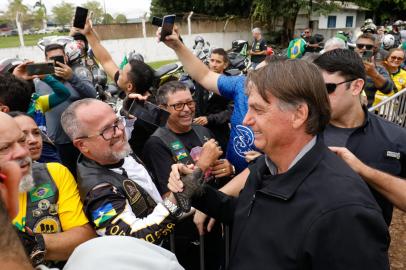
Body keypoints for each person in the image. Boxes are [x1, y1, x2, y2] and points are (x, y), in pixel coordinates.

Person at [167, 59, 390, 269]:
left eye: (259, 109)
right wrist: (195, 189)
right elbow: (253, 215)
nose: (246, 120)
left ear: (298, 114)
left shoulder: (345, 212)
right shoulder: (267, 167)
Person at [61, 98, 181, 244]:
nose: (118, 132)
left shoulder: (109, 150)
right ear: (82, 145)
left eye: (117, 121)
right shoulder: (99, 193)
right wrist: (178, 197)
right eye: (106, 130)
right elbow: (134, 238)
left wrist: (129, 111)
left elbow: (129, 126)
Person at [143, 81, 232, 269]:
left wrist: (228, 168)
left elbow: (218, 174)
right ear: (163, 109)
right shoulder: (156, 143)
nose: (187, 109)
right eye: (178, 105)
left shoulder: (203, 130)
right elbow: (169, 198)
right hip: (185, 235)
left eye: (190, 103)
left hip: (215, 223)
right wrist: (203, 163)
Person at [313, 48, 406, 225]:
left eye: (327, 88)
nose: (318, 97)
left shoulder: (395, 138)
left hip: (366, 248)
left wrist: (364, 171)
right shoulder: (303, 130)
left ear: (356, 86)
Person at [158, 26, 255, 174]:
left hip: (254, 176)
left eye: (218, 62)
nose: (247, 120)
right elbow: (202, 75)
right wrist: (177, 44)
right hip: (227, 169)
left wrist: (261, 162)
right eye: (212, 60)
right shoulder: (241, 84)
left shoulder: (233, 82)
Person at [5, 111, 95, 267]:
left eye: (36, 133)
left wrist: (35, 243)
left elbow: (84, 237)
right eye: (5, 147)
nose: (31, 141)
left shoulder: (55, 172)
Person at [35, 43, 97, 177]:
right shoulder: (40, 83)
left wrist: (72, 78)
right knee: (65, 178)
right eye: (52, 58)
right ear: (46, 60)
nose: (56, 61)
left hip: (81, 140)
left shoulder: (78, 76)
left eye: (59, 57)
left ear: (66, 58)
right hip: (56, 144)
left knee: (87, 176)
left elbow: (93, 95)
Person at [193, 48, 233, 154]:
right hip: (200, 131)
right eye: (212, 60)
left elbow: (230, 111)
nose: (214, 64)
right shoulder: (201, 80)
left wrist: (209, 119)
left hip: (220, 133)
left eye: (218, 61)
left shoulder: (231, 84)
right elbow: (197, 101)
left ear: (225, 65)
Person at [354, 33, 394, 107]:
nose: (364, 48)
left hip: (365, 113)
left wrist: (373, 74)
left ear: (373, 49)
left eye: (369, 47)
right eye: (360, 46)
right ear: (355, 48)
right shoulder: (345, 63)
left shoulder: (379, 69)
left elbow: (388, 90)